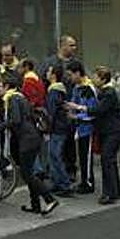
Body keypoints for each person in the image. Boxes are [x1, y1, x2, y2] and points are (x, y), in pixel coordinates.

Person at [1, 74, 59, 216]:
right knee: (29, 173)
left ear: (7, 86)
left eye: (1, 86)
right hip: (33, 138)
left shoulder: (13, 98)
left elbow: (16, 120)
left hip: (27, 140)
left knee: (27, 174)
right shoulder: (21, 97)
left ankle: (49, 199)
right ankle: (35, 205)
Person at [87, 67, 120, 205]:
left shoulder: (109, 93)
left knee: (107, 160)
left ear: (103, 79)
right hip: (110, 130)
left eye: (95, 77)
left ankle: (109, 193)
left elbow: (99, 110)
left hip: (113, 131)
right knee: (110, 161)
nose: (93, 79)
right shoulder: (105, 91)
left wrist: (82, 108)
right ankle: (115, 191)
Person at [65, 60, 96, 194]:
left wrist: (77, 116)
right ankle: (83, 180)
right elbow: (74, 102)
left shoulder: (89, 88)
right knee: (82, 156)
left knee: (86, 156)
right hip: (80, 128)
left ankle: (88, 183)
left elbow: (92, 111)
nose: (70, 78)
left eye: (71, 75)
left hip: (88, 128)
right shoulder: (77, 87)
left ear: (78, 73)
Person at [44, 64, 73, 196]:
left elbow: (52, 113)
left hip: (57, 128)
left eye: (49, 71)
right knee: (53, 156)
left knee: (55, 156)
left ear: (54, 75)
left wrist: (48, 129)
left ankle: (64, 184)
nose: (47, 73)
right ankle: (57, 182)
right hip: (60, 127)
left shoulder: (53, 91)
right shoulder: (59, 90)